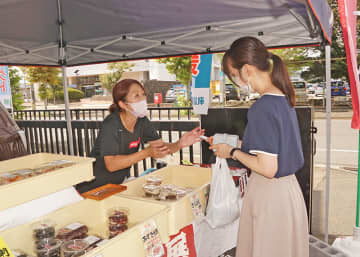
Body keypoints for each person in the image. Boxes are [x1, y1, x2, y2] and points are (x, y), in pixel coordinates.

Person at [209, 37, 308, 257]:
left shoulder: (262, 107)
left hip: (270, 195)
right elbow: (270, 149)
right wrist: (231, 145)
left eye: (234, 76)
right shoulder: (283, 99)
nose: (236, 82)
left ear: (246, 70)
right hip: (289, 192)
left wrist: (232, 152)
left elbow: (267, 167)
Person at [76, 79, 203, 193]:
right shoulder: (111, 124)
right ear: (123, 104)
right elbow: (111, 164)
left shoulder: (142, 121)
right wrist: (146, 152)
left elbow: (159, 148)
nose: (142, 99)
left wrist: (180, 143)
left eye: (143, 94)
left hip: (117, 185)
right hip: (92, 187)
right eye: (136, 96)